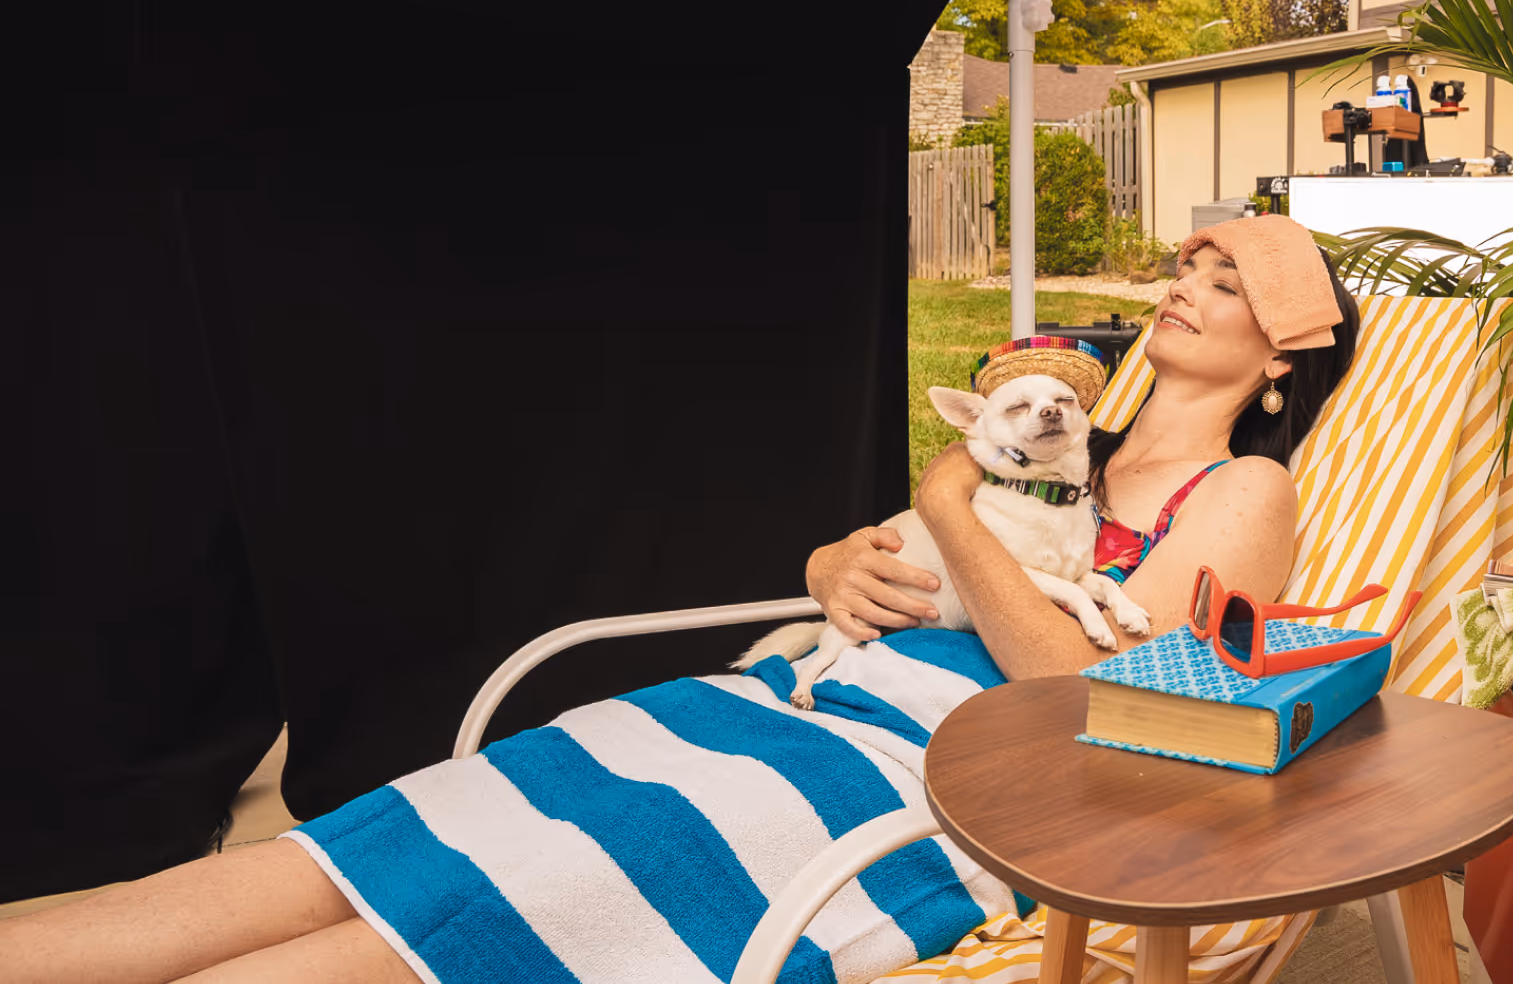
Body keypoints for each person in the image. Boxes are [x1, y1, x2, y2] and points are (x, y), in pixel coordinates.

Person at [0, 216, 1362, 984]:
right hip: (781, 697)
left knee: (435, 931)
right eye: (1191, 264)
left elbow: (1077, 689)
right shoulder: (1069, 453)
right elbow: (897, 568)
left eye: (1229, 279)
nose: (1187, 282)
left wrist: (947, 506)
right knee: (339, 858)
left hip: (928, 771)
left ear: (1282, 360)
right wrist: (842, 567)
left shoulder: (1243, 494)